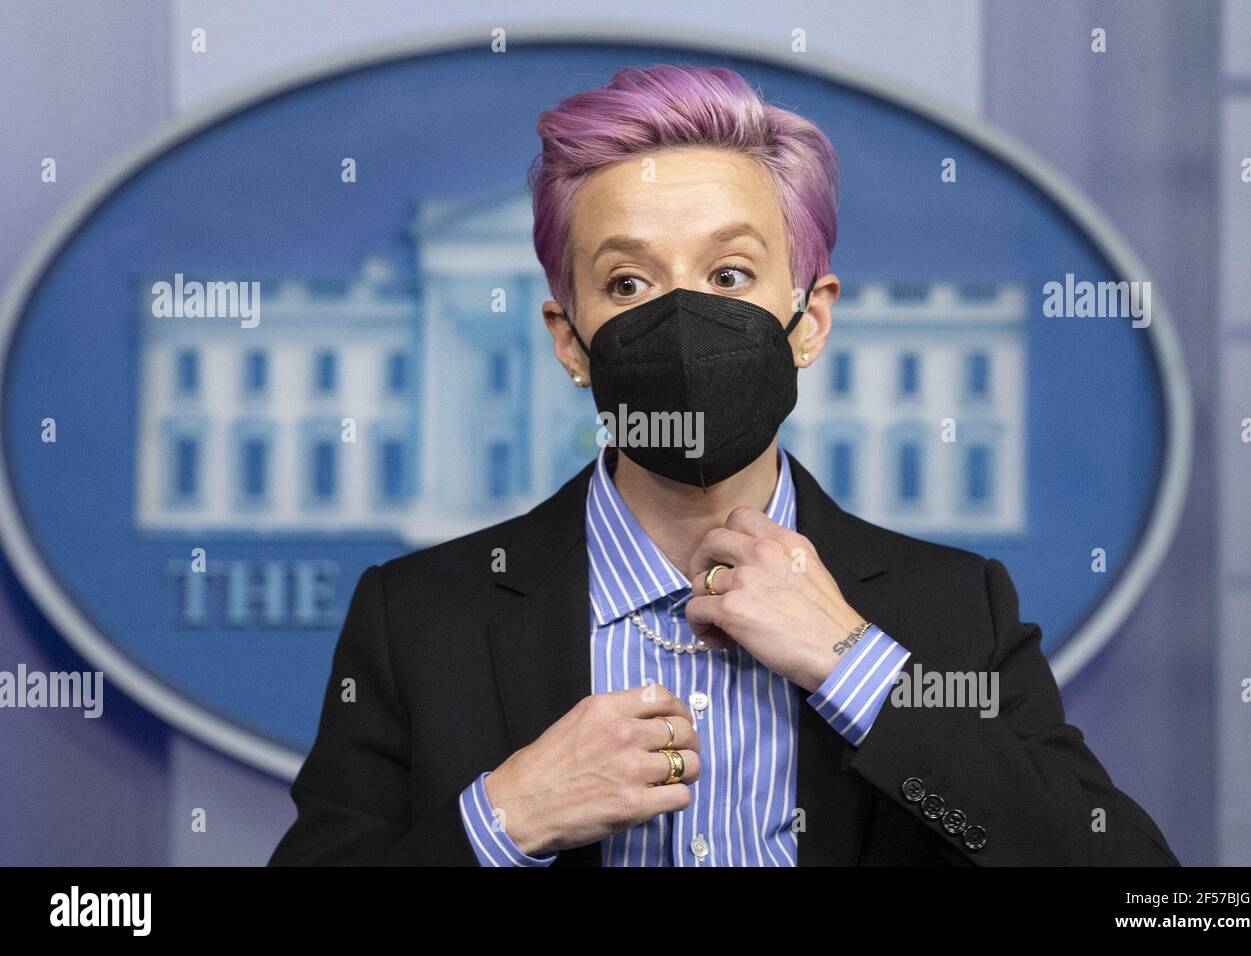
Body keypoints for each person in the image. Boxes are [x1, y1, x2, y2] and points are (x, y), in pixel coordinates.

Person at [269, 63, 1178, 866]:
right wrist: (506, 818)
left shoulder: (951, 612)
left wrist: (855, 668)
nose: (681, 319)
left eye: (731, 276)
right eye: (628, 283)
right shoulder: (420, 618)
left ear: (809, 320)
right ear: (570, 340)